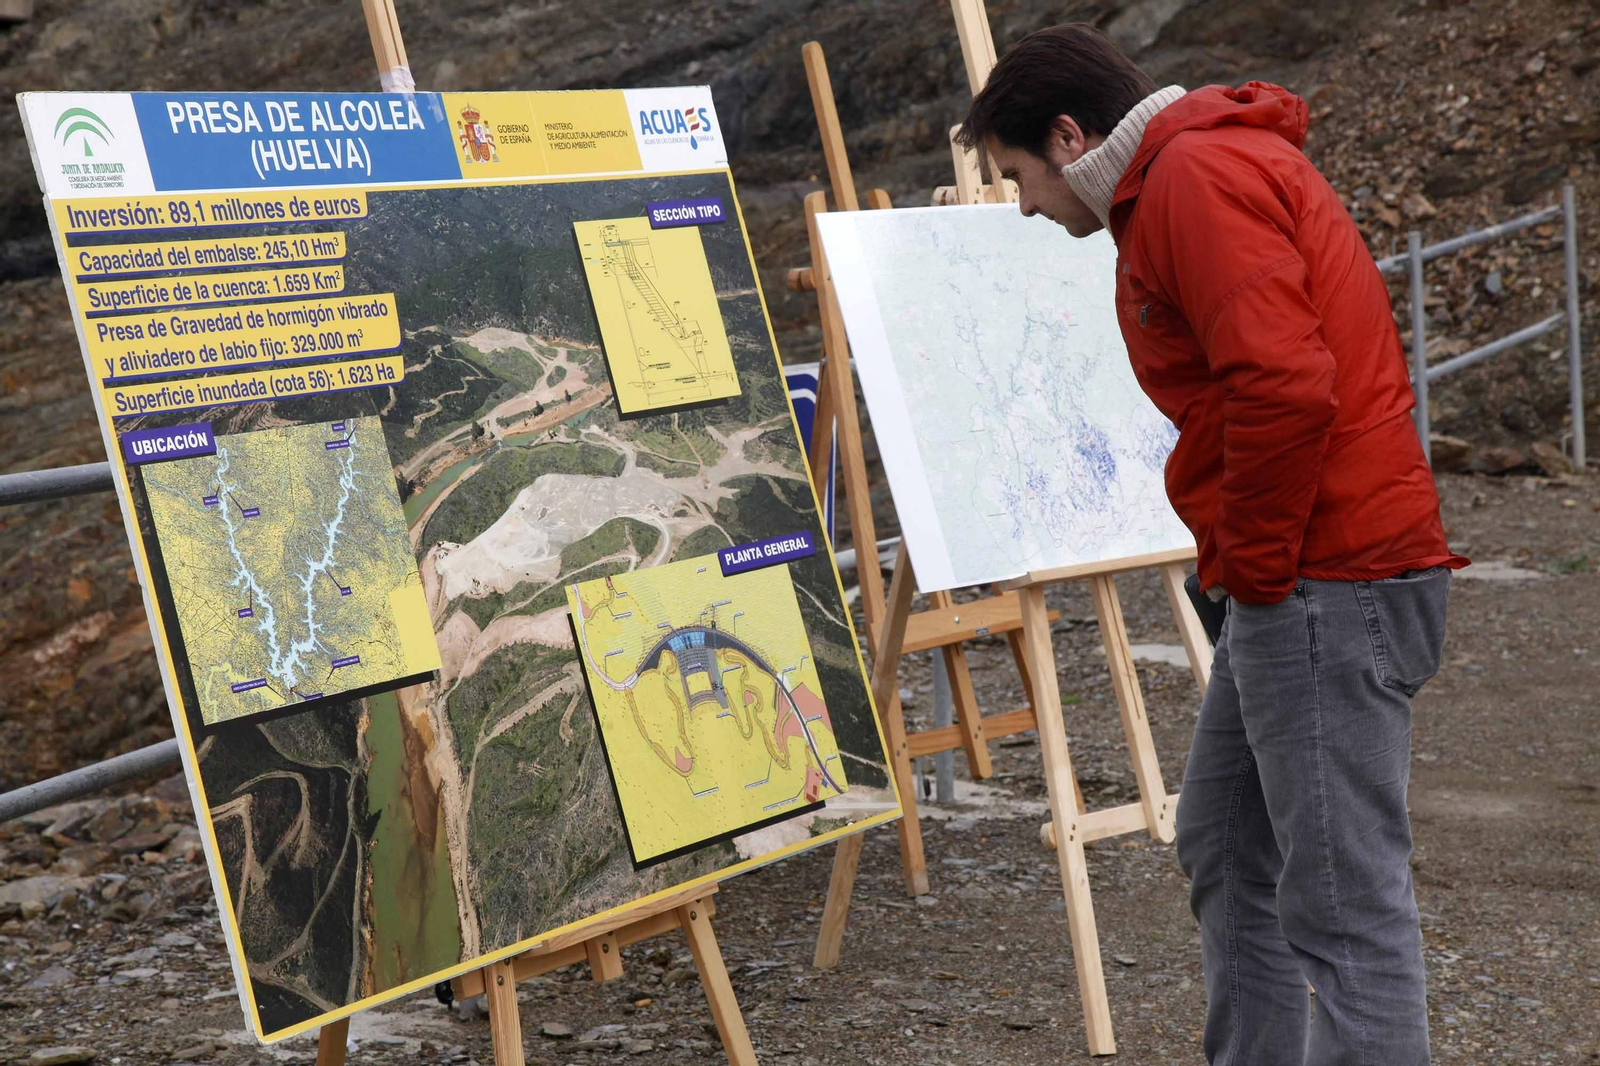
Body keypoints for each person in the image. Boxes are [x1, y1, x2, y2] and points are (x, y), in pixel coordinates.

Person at [958, 23, 1468, 1066]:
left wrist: (1259, 570)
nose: (1020, 205)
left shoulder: (1192, 178)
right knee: (1230, 846)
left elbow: (1283, 386)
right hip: (1301, 576)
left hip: (1325, 578)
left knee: (1341, 902)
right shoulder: (1182, 175)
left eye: (1015, 176)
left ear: (1067, 136)